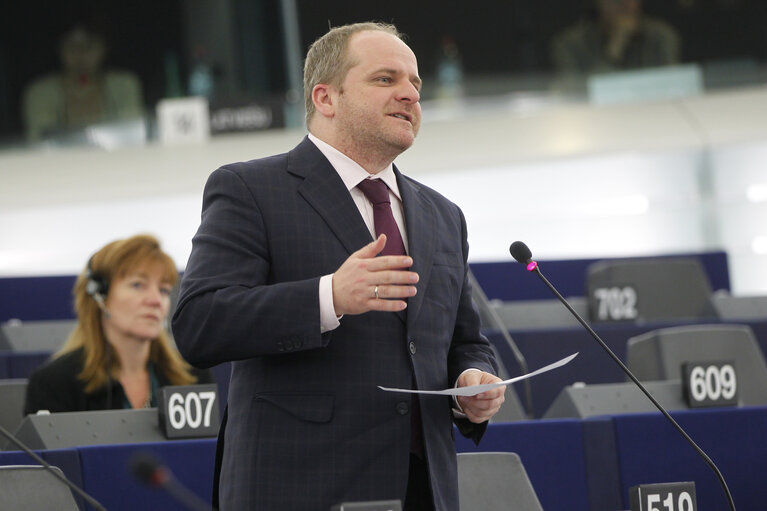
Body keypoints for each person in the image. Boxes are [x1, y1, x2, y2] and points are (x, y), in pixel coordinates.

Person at [172, 21, 505, 511]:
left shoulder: (442, 215)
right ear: (326, 98)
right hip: (302, 487)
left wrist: (472, 382)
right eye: (386, 79)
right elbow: (199, 323)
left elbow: (464, 340)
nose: (410, 95)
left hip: (422, 489)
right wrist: (328, 297)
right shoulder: (251, 189)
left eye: (415, 83)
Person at [24, 234, 212, 414]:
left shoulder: (192, 378)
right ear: (100, 296)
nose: (156, 300)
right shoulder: (54, 384)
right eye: (138, 285)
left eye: (163, 290)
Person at [22, 15, 144, 141]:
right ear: (59, 49)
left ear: (104, 48)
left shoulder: (124, 85)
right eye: (72, 46)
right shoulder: (40, 93)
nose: (80, 54)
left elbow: (133, 134)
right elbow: (39, 142)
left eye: (89, 46)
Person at [551, 0, 681, 74]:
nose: (625, 5)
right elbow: (576, 96)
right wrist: (614, 49)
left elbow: (672, 86)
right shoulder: (571, 44)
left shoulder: (660, 36)